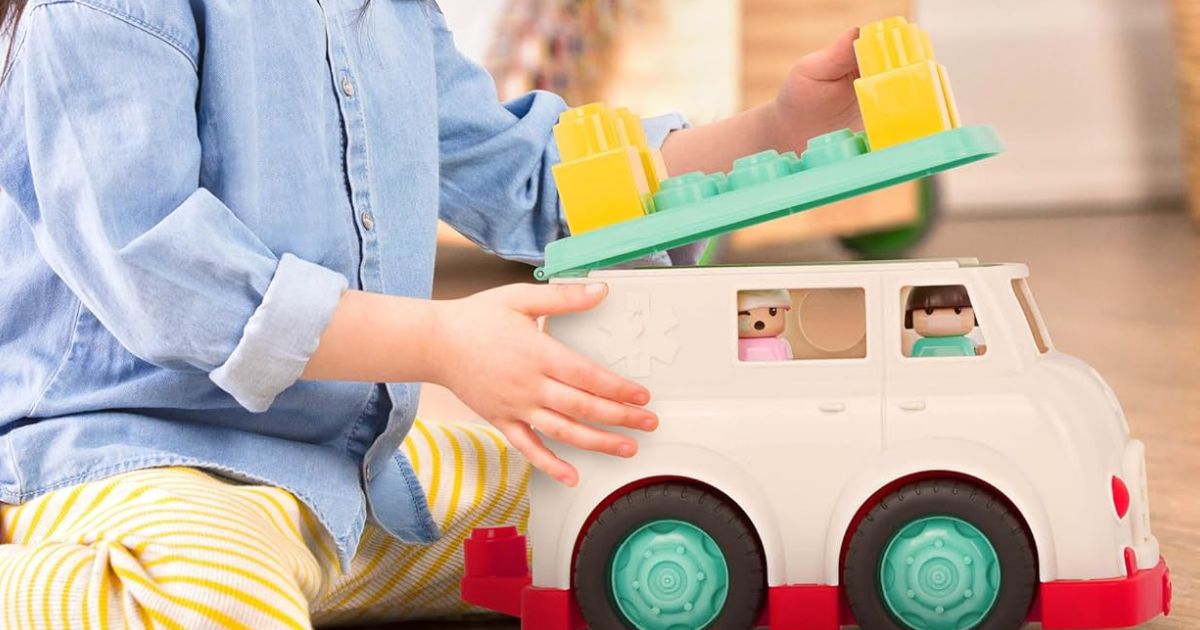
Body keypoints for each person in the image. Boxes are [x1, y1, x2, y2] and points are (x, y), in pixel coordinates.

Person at [0, 0, 863, 626]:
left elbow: (538, 175)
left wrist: (778, 131)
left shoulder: (390, 14)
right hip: (129, 456)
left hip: (341, 474)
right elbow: (160, 272)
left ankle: (308, 566)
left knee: (629, 506)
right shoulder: (103, 10)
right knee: (214, 594)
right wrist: (443, 343)